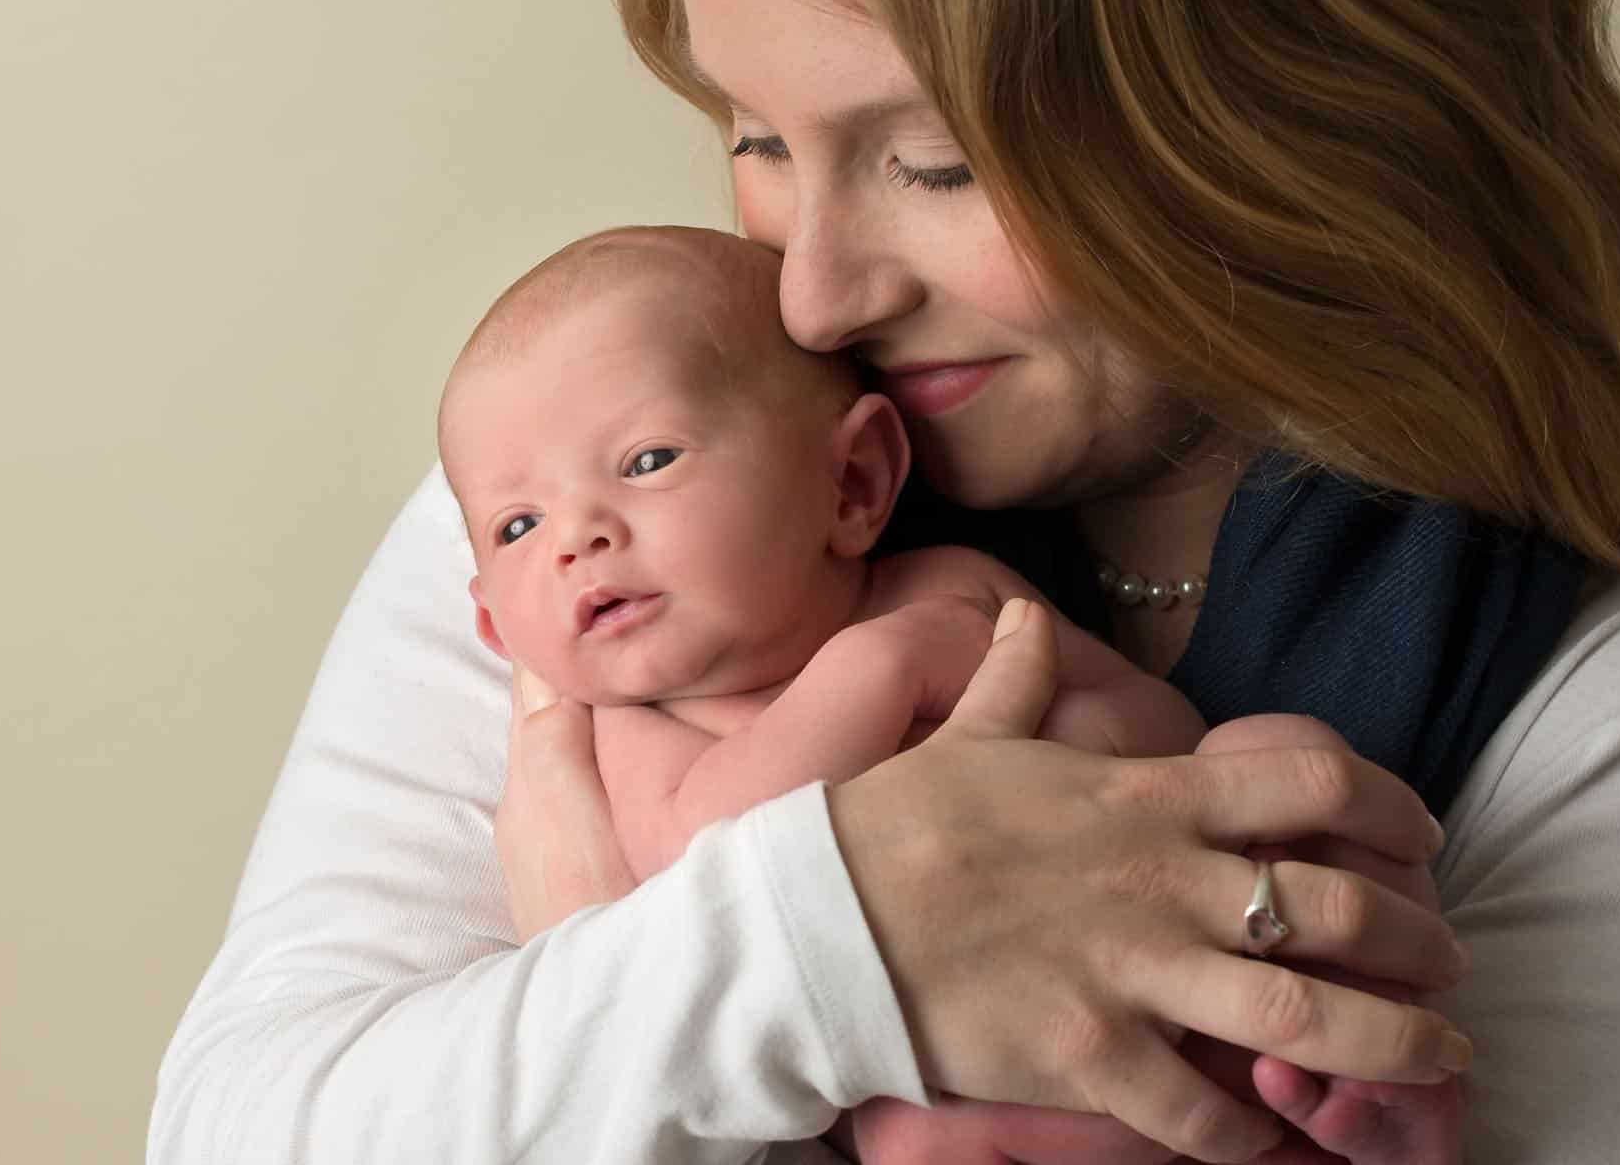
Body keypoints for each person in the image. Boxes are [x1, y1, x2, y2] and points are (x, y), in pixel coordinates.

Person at [149, 0, 1620, 1162]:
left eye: (934, 159)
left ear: (1279, 102)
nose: (813, 294)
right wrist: (840, 933)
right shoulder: (601, 515)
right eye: (754, 134)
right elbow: (238, 1127)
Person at [439, 222, 1463, 1164]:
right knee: (905, 1140)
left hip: (1173, 952)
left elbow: (1156, 731)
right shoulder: (632, 733)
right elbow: (714, 860)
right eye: (517, 526)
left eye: (647, 461)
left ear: (852, 483)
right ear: (492, 619)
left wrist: (1098, 753)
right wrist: (880, 669)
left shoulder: (945, 584)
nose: (578, 537)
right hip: (987, 1075)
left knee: (1276, 751)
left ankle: (1369, 1083)